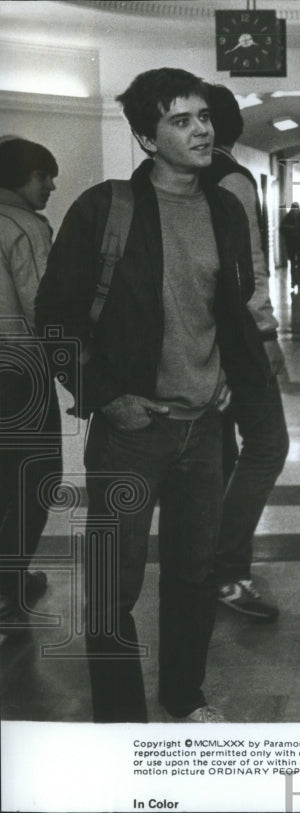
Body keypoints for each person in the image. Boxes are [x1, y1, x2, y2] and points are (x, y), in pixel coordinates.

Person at [35, 67, 271, 722]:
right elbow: (57, 317)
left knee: (194, 577)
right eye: (181, 120)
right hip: (131, 430)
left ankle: (184, 695)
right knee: (115, 589)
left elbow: (226, 308)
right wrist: (107, 398)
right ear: (146, 138)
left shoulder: (223, 208)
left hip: (203, 431)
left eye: (204, 117)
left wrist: (228, 375)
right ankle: (119, 720)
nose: (202, 129)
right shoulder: (105, 210)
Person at [203, 83, 288, 622]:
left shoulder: (162, 179)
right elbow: (247, 266)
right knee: (267, 444)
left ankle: (203, 559)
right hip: (235, 338)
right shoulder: (232, 177)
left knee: (217, 452)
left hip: (194, 342)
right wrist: (267, 334)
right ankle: (227, 568)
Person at [0, 138, 60, 636]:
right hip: (19, 374)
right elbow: (46, 309)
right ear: (19, 177)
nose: (51, 186)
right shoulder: (25, 227)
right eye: (43, 176)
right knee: (36, 481)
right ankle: (7, 588)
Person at [280, 202, 300, 295]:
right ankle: (297, 282)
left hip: (292, 243)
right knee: (297, 263)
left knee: (294, 263)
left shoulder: (287, 218)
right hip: (299, 243)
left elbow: (282, 228)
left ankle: (295, 282)